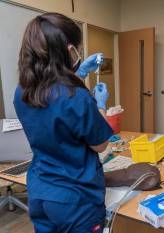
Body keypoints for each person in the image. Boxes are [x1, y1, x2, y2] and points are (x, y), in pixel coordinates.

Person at [14, 13, 112, 233]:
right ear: (69, 51)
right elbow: (101, 144)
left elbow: (51, 96)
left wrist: (79, 73)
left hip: (40, 190)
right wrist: (101, 106)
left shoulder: (22, 91)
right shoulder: (77, 97)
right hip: (75, 199)